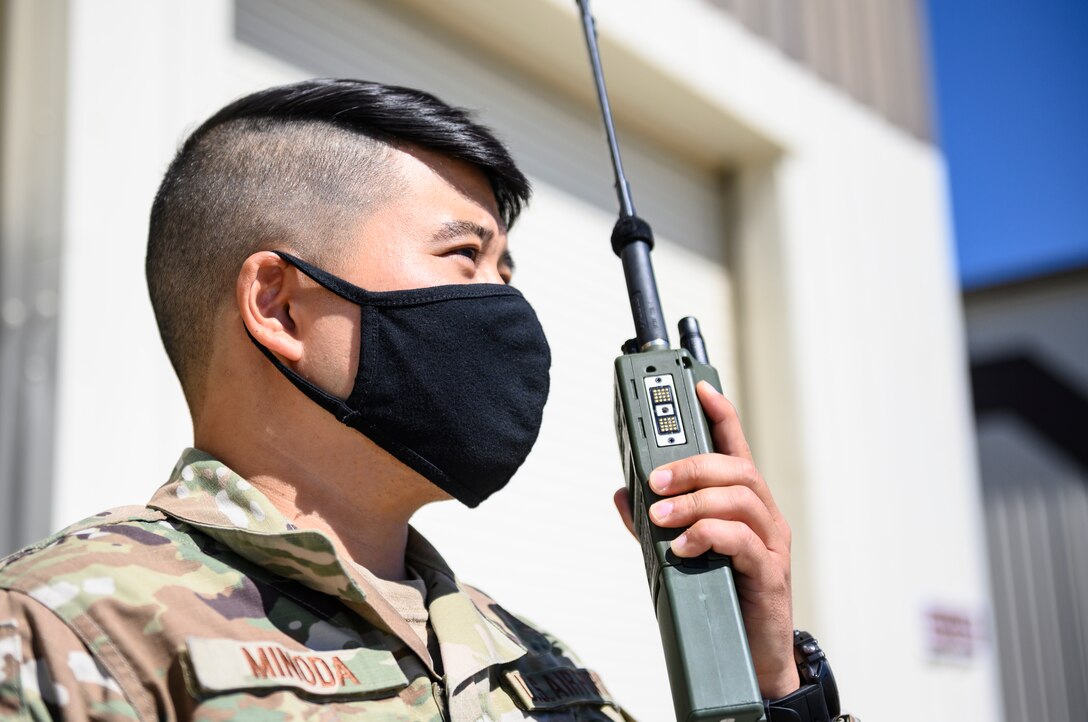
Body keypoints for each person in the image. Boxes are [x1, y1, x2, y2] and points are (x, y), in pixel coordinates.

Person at [0, 79, 843, 721]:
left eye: (507, 274)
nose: (505, 309)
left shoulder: (543, 671)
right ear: (281, 305)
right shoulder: (67, 633)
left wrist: (764, 677)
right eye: (463, 257)